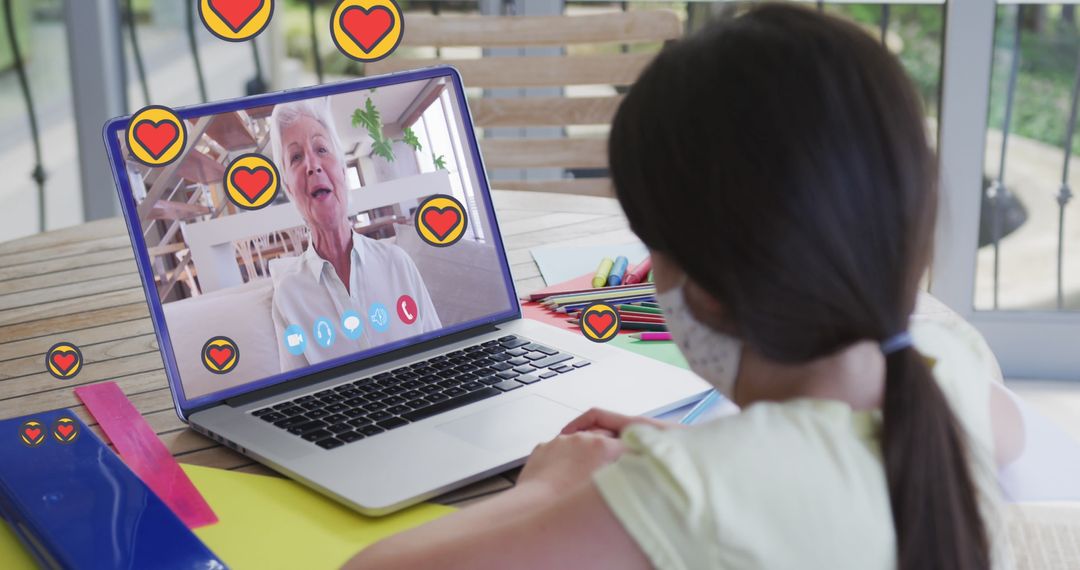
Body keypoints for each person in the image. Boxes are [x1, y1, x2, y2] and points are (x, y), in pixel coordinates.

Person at [344, 5, 1023, 569]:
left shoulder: (694, 497)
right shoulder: (946, 374)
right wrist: (705, 450)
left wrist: (551, 486)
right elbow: (1004, 430)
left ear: (706, 291)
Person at [267, 97, 441, 371]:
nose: (312, 165)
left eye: (321, 149)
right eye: (296, 157)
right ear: (289, 188)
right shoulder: (288, 295)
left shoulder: (397, 262)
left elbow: (439, 359)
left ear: (343, 171)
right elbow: (295, 397)